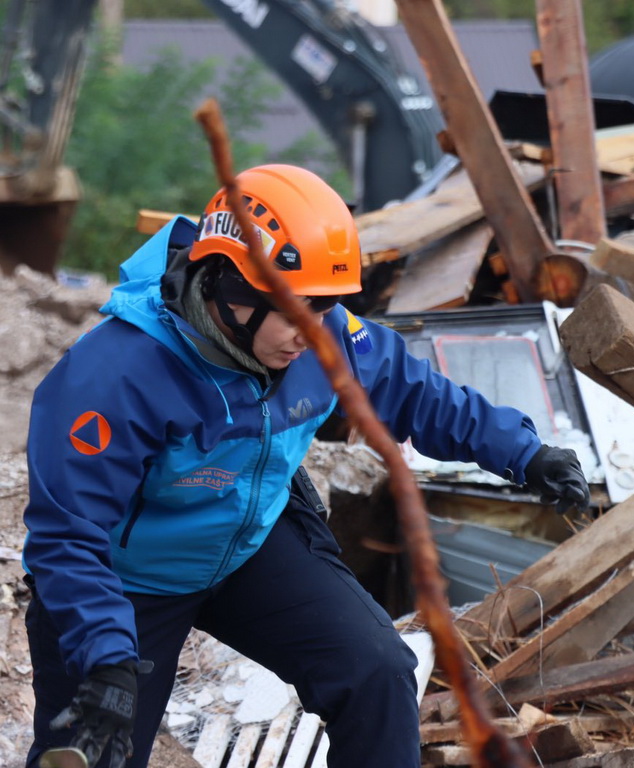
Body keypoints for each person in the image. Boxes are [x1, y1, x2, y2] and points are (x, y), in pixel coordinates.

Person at [22, 164, 590, 768]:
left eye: (322, 307)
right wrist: (105, 653)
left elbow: (410, 389)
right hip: (127, 577)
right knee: (92, 748)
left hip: (247, 547)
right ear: (228, 285)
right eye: (293, 309)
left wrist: (525, 453)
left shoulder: (319, 335)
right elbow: (67, 535)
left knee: (376, 670)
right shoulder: (114, 373)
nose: (309, 333)